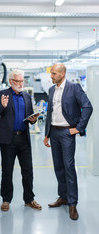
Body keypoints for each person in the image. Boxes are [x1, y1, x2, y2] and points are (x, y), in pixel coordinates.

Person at [43, 63, 93, 220]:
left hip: (66, 133)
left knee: (69, 167)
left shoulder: (74, 88)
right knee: (58, 167)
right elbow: (50, 112)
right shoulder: (52, 90)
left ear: (62, 74)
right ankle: (63, 197)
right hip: (54, 132)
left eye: (54, 74)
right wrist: (47, 134)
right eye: (51, 73)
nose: (51, 76)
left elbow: (88, 107)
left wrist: (78, 128)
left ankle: (72, 204)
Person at [0, 69, 41, 211]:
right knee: (7, 170)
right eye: (18, 81)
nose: (21, 84)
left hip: (24, 137)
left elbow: (30, 116)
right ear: (11, 81)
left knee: (28, 170)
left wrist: (34, 119)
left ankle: (29, 199)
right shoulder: (2, 95)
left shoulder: (26, 96)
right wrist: (2, 106)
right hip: (8, 139)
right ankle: (6, 200)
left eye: (22, 81)